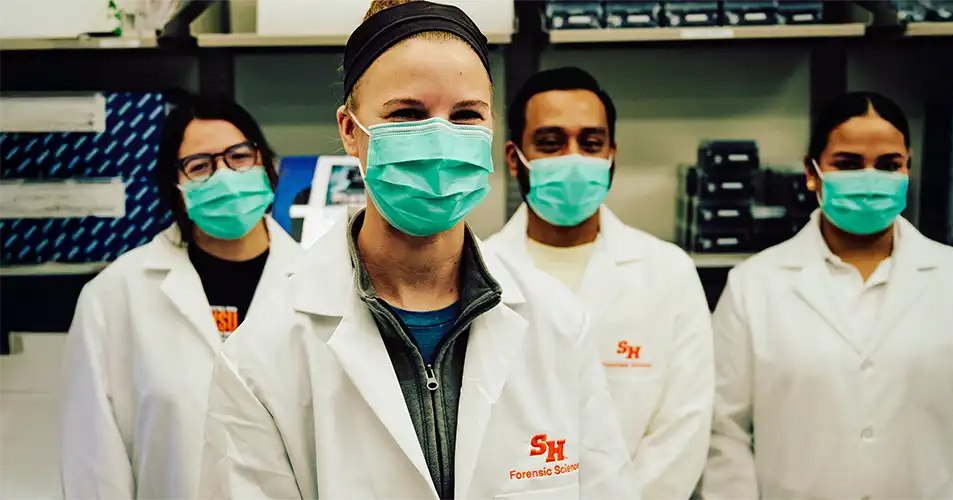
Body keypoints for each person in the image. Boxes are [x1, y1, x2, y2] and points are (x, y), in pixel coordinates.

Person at [196, 2, 637, 500]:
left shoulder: (557, 324)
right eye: (407, 114)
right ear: (349, 131)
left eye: (466, 115)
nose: (441, 139)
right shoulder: (263, 356)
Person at [698, 92, 953, 500]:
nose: (870, 177)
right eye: (848, 163)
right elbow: (724, 433)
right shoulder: (754, 286)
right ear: (812, 171)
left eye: (889, 165)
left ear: (908, 168)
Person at [485, 67, 713, 500]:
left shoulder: (668, 271)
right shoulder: (479, 274)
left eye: (590, 144)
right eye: (551, 144)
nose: (574, 158)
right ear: (515, 158)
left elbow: (684, 424)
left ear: (612, 154)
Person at [60, 95, 302, 500]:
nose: (224, 175)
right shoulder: (116, 295)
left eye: (238, 156)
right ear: (176, 187)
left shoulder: (321, 286)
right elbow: (93, 461)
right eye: (200, 166)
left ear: (265, 163)